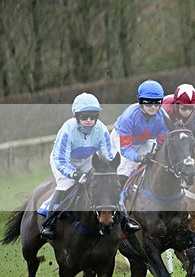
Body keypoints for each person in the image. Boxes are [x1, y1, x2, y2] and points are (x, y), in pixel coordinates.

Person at [40, 93, 139, 239]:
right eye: (84, 117)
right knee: (64, 186)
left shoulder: (101, 129)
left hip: (88, 160)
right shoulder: (67, 129)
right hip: (64, 162)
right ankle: (49, 224)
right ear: (77, 116)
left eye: (92, 117)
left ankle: (125, 220)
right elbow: (60, 160)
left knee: (109, 185)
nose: (88, 121)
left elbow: (109, 154)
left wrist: (110, 170)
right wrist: (75, 175)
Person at [111, 79, 171, 179]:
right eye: (148, 103)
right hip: (120, 138)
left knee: (150, 164)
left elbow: (160, 145)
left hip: (144, 140)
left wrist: (154, 154)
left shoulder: (164, 119)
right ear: (141, 102)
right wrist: (139, 157)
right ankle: (119, 193)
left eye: (157, 103)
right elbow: (126, 149)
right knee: (125, 166)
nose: (153, 107)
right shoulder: (128, 117)